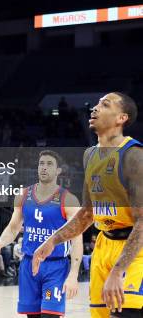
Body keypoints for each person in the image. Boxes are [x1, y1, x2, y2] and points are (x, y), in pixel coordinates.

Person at [32, 93, 142, 318]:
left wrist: (118, 270)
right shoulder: (89, 155)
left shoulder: (134, 156)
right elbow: (87, 213)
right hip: (104, 247)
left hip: (135, 248)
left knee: (126, 312)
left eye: (104, 104)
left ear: (122, 117)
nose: (95, 108)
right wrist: (53, 240)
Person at [0, 150, 83, 317]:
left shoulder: (68, 199)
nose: (44, 168)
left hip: (55, 266)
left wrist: (74, 275)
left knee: (49, 315)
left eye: (49, 164)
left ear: (58, 170)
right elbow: (13, 228)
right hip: (29, 265)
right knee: (32, 316)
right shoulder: (23, 195)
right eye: (41, 163)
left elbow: (77, 239)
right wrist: (0, 243)